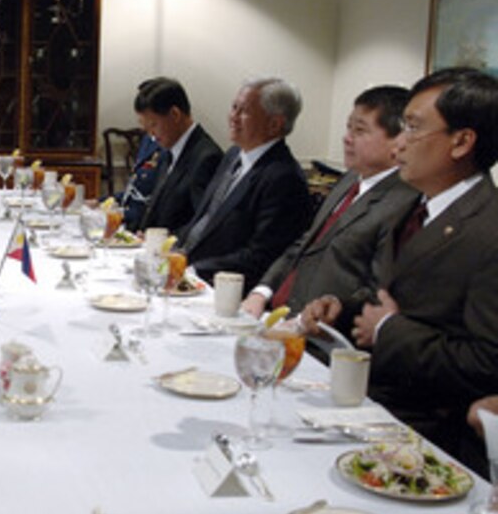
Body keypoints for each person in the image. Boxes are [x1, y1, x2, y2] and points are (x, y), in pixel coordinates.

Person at [304, 67, 498, 462]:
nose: (399, 146)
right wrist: (341, 309)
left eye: (412, 128)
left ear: (461, 142)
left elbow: (486, 364)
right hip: (366, 404)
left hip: (427, 437)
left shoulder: (487, 230)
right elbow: (389, 293)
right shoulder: (416, 204)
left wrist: (390, 330)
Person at [242, 85, 417, 331]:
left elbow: (377, 290)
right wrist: (261, 292)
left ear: (396, 143)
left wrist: (304, 322)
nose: (347, 137)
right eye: (349, 127)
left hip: (319, 335)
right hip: (273, 314)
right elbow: (305, 243)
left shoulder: (403, 202)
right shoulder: (349, 180)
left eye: (360, 130)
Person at [175, 77, 310, 290]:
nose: (233, 117)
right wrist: (171, 248)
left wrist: (193, 270)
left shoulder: (284, 178)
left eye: (244, 111)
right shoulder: (233, 154)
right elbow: (205, 220)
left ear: (274, 124)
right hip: (187, 271)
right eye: (234, 107)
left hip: (224, 288)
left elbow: (260, 256)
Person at [132, 77, 223, 234]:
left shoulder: (206, 158)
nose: (152, 136)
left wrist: (160, 240)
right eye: (147, 128)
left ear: (175, 114)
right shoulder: (168, 150)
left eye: (154, 125)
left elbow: (203, 224)